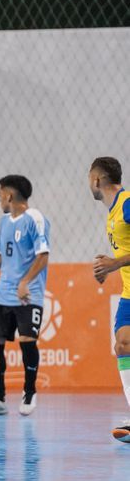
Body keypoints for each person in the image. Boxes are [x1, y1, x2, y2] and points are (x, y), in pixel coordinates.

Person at [0, 175, 50, 417]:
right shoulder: (4, 222)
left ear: (9, 195)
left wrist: (25, 282)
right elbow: (1, 255)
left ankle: (29, 392)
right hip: (3, 294)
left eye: (0, 195)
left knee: (27, 340)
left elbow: (43, 256)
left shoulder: (35, 219)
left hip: (28, 295)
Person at [87, 157, 130, 443]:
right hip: (129, 292)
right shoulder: (113, 212)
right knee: (123, 344)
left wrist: (114, 263)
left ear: (96, 180)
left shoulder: (127, 203)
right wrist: (107, 269)